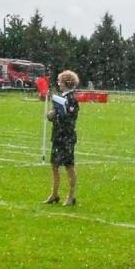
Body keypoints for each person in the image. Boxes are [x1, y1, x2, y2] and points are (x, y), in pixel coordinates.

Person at [45, 69, 81, 205]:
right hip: (58, 135)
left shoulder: (72, 99)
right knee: (54, 165)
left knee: (68, 166)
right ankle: (54, 194)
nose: (58, 83)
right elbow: (55, 115)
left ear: (66, 82)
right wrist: (51, 115)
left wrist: (60, 114)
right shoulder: (60, 98)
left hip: (67, 137)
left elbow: (70, 118)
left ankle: (71, 196)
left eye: (60, 81)